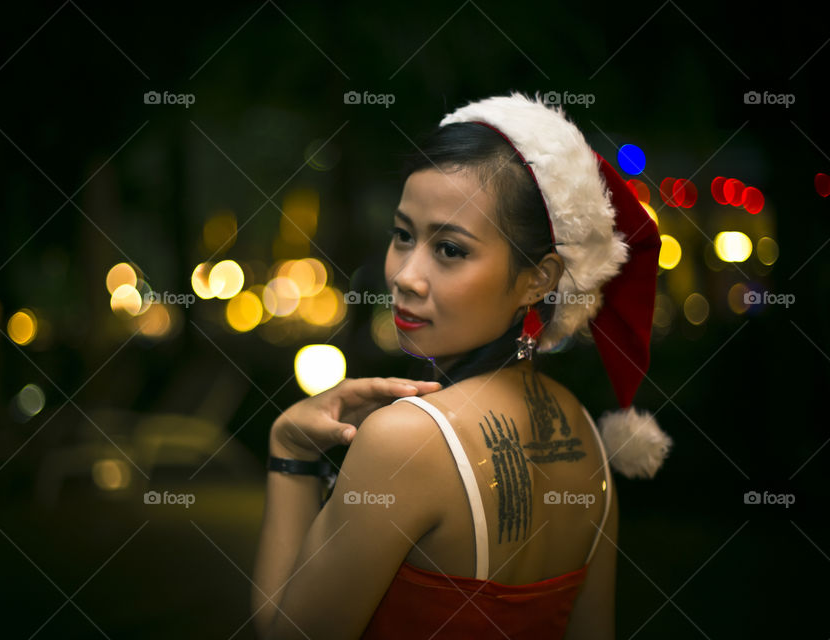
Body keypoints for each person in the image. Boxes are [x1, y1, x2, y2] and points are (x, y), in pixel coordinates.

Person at [251, 92, 673, 639]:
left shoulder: (404, 439)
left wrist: (291, 451)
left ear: (538, 279)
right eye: (403, 235)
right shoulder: (585, 436)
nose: (405, 275)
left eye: (449, 249)